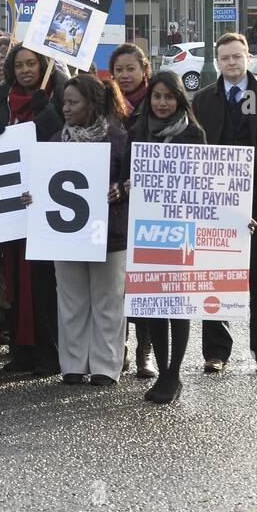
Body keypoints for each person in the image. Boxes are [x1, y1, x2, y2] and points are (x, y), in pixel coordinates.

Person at [191, 32, 257, 375]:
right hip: (216, 204)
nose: (231, 63)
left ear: (248, 58)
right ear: (218, 62)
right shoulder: (202, 100)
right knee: (215, 278)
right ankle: (215, 352)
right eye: (225, 58)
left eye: (237, 57)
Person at [25, 73, 129, 387]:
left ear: (92, 105)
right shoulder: (55, 140)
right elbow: (42, 184)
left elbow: (132, 184)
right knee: (70, 300)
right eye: (64, 102)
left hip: (110, 235)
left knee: (108, 300)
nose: (66, 108)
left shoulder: (119, 139)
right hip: (66, 236)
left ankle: (106, 366)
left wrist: (121, 191)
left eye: (73, 102)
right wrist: (31, 195)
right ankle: (72, 364)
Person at [126, 70, 207, 404]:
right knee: (153, 305)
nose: (161, 103)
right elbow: (123, 176)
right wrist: (129, 185)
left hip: (182, 231)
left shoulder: (194, 134)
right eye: (156, 96)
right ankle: (163, 371)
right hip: (146, 230)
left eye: (168, 97)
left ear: (179, 100)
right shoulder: (137, 131)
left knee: (179, 305)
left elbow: (206, 184)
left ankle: (174, 374)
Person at [0, 44, 66, 375]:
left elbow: (60, 140)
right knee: (16, 282)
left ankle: (48, 355)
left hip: (48, 206)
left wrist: (46, 112)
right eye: (19, 65)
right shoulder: (4, 99)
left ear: (42, 64)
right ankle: (21, 352)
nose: (25, 70)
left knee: (43, 285)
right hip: (12, 207)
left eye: (31, 63)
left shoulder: (59, 95)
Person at [108, 42, 155, 375]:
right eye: (119, 70)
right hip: (115, 206)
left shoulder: (158, 101)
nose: (125, 75)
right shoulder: (108, 105)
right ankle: (119, 348)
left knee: (147, 285)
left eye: (130, 69)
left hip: (150, 204)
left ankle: (145, 352)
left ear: (144, 70)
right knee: (118, 286)